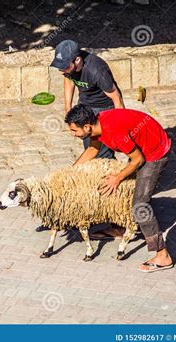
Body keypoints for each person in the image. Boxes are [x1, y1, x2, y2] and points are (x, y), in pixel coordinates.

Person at [65, 104, 173, 273]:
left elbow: (138, 160)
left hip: (155, 152)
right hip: (142, 148)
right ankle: (122, 227)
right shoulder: (97, 126)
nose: (72, 135)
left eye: (74, 131)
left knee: (140, 205)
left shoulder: (114, 133)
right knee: (123, 189)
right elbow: (92, 150)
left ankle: (162, 254)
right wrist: (69, 173)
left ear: (86, 127)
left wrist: (118, 177)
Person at [40, 39, 125, 237]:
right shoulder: (69, 69)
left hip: (104, 112)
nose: (62, 71)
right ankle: (99, 206)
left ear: (77, 60)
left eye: (65, 67)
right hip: (85, 108)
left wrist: (119, 126)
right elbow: (68, 79)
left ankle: (118, 220)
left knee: (101, 159)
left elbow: (116, 98)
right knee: (93, 156)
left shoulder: (97, 70)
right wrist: (68, 109)